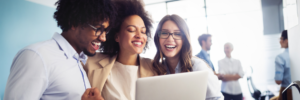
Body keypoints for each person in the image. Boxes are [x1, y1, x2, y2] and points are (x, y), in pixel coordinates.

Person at [4, 0, 116, 99]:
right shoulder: (37, 57)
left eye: (105, 31)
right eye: (98, 29)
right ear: (74, 22)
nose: (103, 38)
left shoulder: (78, 62)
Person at [84, 0, 156, 100]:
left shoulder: (156, 68)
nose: (139, 36)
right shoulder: (91, 63)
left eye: (143, 31)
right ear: (117, 36)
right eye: (131, 30)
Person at [151, 14, 223, 100]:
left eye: (177, 34)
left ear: (184, 40)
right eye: (164, 33)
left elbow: (216, 98)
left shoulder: (197, 67)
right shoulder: (156, 69)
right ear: (157, 38)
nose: (170, 39)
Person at [270, 30, 292, 100]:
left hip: (287, 91)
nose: (280, 41)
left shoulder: (280, 57)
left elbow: (278, 81)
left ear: (286, 40)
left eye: (281, 39)